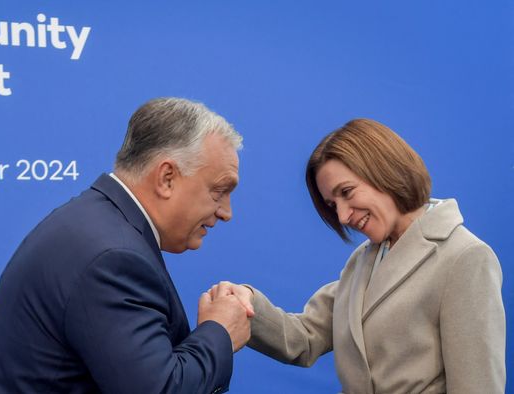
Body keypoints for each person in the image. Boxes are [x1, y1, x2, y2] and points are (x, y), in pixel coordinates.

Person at [0, 97, 255, 393]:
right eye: (219, 191)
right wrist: (219, 332)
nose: (226, 212)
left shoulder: (93, 224)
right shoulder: (113, 258)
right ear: (166, 178)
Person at [210, 119, 506, 393]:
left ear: (385, 170)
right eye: (332, 203)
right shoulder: (364, 260)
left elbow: (477, 386)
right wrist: (246, 301)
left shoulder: (465, 257)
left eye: (347, 192)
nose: (342, 215)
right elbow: (304, 338)